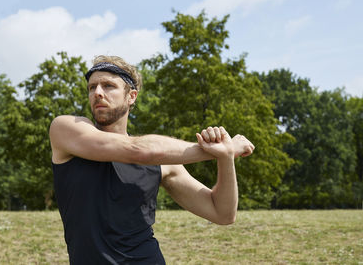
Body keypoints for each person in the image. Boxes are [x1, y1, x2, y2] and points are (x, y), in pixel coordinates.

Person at [49, 55, 255, 264]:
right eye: (92, 87)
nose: (98, 93)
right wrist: (214, 150)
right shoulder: (66, 129)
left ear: (131, 96)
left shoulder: (163, 161)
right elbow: (138, 151)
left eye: (108, 85)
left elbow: (223, 213)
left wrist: (226, 157)